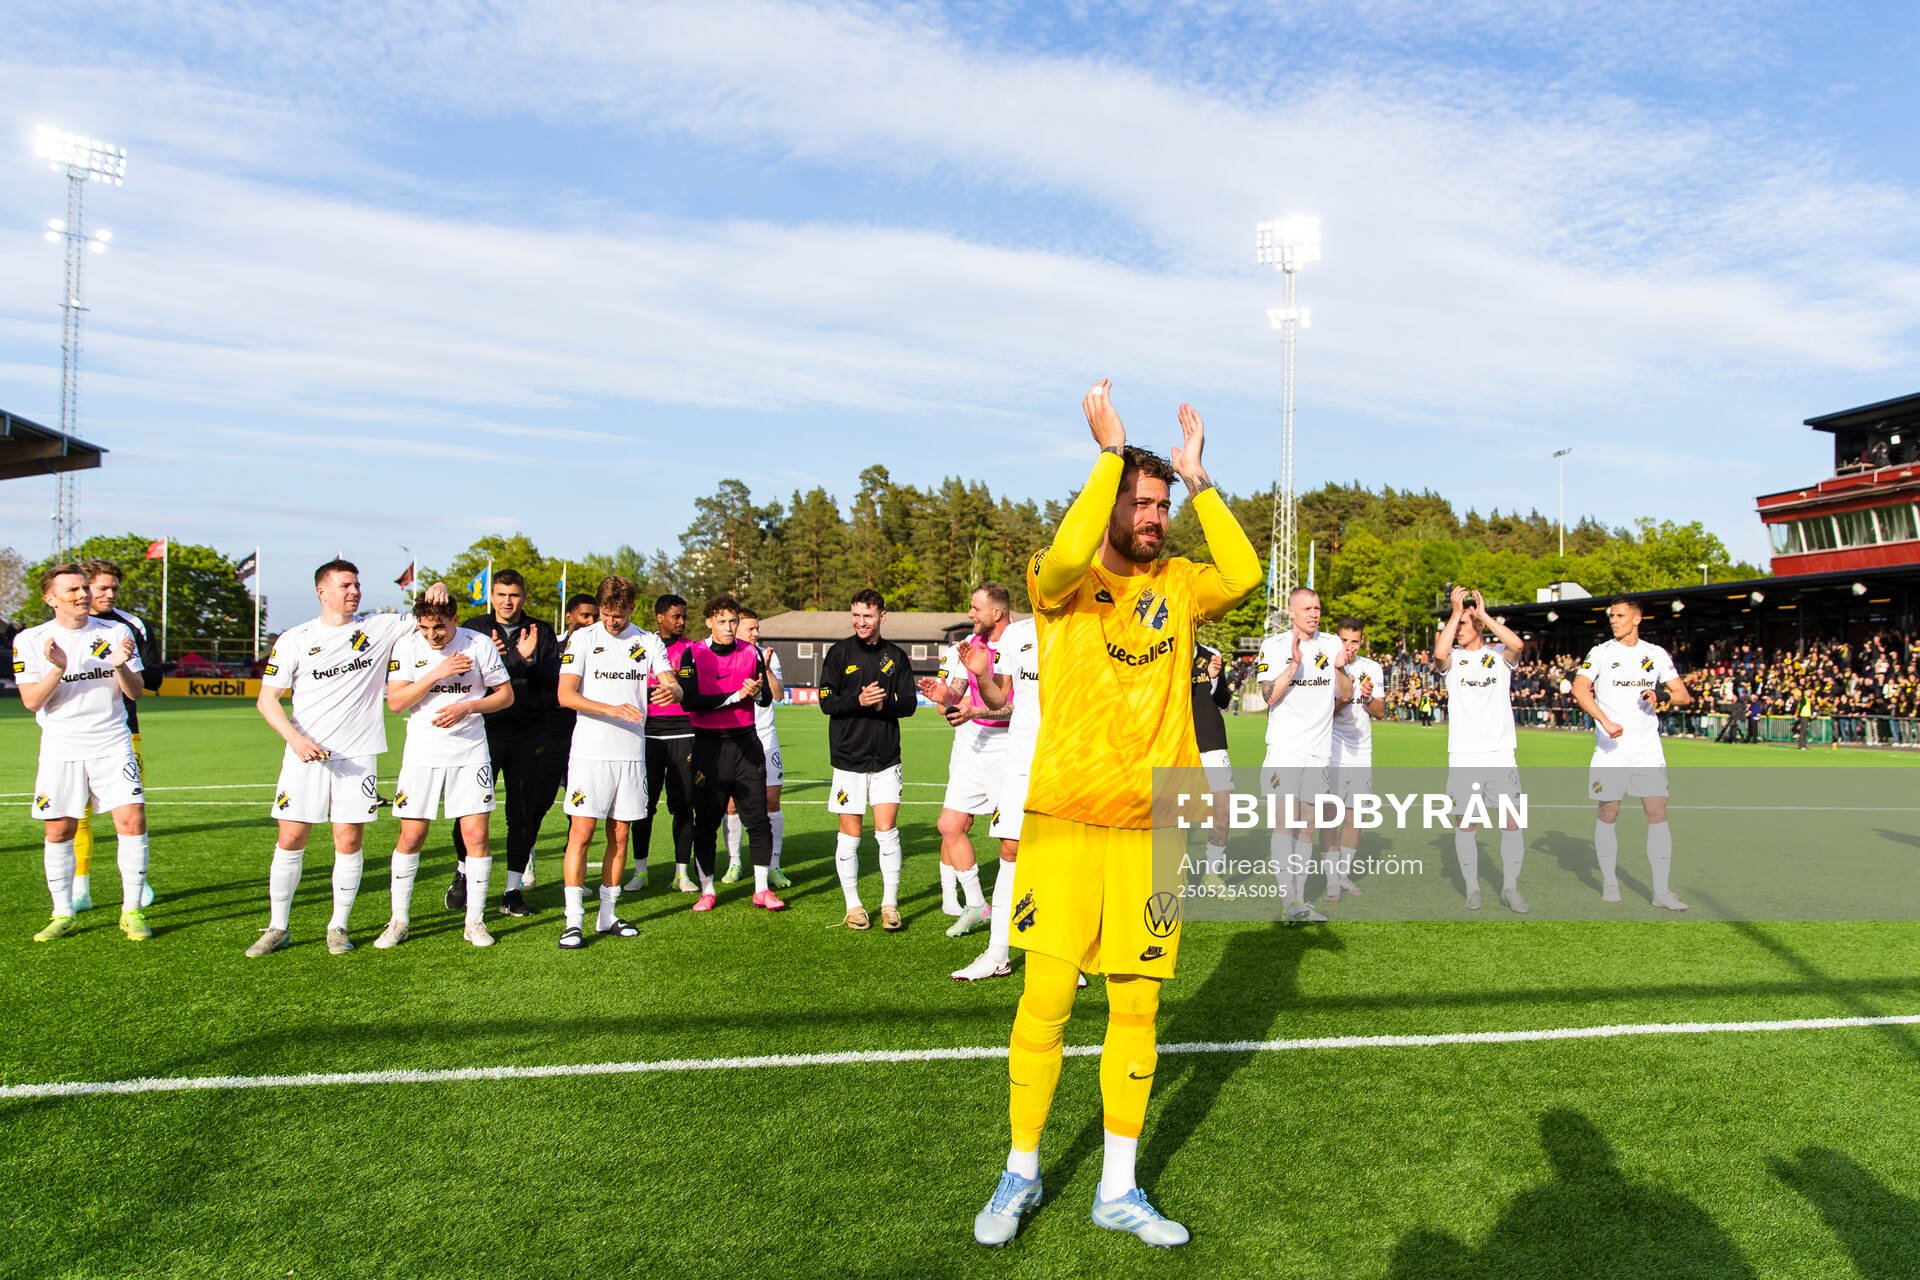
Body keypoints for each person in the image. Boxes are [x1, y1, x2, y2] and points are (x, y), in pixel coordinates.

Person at [972, 383, 1257, 1249]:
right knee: (1046, 1000)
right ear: (1108, 507)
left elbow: (1245, 576)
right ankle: (1020, 1172)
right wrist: (1109, 454)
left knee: (1137, 1010)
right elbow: (1061, 555)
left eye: (1160, 504)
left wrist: (1199, 478)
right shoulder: (1060, 586)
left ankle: (1118, 1188)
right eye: (1141, 503)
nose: (1154, 517)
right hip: (1063, 819)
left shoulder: (1180, 580)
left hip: (1152, 831)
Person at [250, 561, 450, 956]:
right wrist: (295, 740)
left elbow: (432, 615)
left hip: (357, 756)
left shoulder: (378, 627)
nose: (354, 591)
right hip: (304, 755)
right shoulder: (295, 638)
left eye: (357, 584)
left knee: (348, 839)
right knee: (290, 837)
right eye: (345, 585)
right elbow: (266, 700)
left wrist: (438, 584)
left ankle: (338, 926)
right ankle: (278, 926)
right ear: (321, 592)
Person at [13, 564, 152, 942]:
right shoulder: (30, 639)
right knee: (59, 829)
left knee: (132, 820)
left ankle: (132, 910)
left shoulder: (116, 632)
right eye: (72, 590)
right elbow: (31, 701)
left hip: (111, 742)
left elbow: (135, 692)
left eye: (83, 589)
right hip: (61, 747)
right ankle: (63, 913)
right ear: (50, 598)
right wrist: (57, 669)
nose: (82, 595)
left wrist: (121, 666)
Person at [554, 576, 681, 949]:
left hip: (630, 755)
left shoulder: (647, 640)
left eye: (619, 614)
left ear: (631, 609)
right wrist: (610, 708)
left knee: (621, 836)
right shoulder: (583, 639)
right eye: (607, 614)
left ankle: (607, 916)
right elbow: (565, 695)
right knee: (581, 834)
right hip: (590, 755)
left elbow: (674, 684)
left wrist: (670, 690)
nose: (612, 621)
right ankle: (573, 920)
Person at [381, 597, 513, 947]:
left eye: (439, 626)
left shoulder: (478, 643)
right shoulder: (408, 646)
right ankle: (399, 921)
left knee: (477, 836)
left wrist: (469, 706)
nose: (432, 635)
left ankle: (475, 922)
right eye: (425, 628)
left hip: (470, 752)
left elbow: (506, 696)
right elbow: (396, 702)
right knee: (411, 836)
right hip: (422, 754)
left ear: (455, 619)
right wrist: (437, 672)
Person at [446, 569, 564, 919]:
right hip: (483, 731)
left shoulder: (540, 631)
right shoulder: (474, 629)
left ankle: (512, 890)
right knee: (470, 808)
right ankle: (463, 874)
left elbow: (554, 682)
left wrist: (528, 659)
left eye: (513, 595)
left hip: (529, 733)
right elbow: (461, 674)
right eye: (501, 594)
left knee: (522, 813)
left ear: (523, 597)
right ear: (491, 596)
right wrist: (502, 659)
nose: (507, 601)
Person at [1573, 598, 1693, 911]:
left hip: (1647, 750)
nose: (1614, 620)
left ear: (1637, 618)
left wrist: (1662, 694)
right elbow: (1579, 689)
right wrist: (1605, 721)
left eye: (1620, 615)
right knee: (1609, 812)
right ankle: (1610, 882)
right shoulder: (1600, 653)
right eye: (1611, 615)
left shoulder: (1655, 654)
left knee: (1657, 814)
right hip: (1610, 751)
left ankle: (1661, 891)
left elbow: (1683, 695)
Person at [918, 584, 1015, 937]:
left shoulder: (1019, 645)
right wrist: (942, 695)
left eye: (975, 609)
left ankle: (1019, 909)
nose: (970, 614)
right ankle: (977, 905)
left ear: (997, 613)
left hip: (1008, 747)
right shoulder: (970, 646)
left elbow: (1015, 707)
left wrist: (975, 709)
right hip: (972, 743)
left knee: (1012, 842)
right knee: (950, 825)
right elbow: (956, 692)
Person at [675, 595, 783, 911]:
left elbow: (764, 700)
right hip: (709, 746)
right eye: (721, 621)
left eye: (733, 621)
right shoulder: (692, 654)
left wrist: (756, 691)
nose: (728, 627)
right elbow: (690, 701)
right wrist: (736, 695)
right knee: (706, 822)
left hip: (746, 743)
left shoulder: (751, 652)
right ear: (709, 621)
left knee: (758, 819)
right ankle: (708, 890)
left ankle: (762, 889)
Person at [819, 589, 919, 931]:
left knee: (887, 831)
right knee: (850, 835)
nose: (861, 622)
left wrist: (881, 706)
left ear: (882, 617)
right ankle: (854, 906)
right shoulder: (838, 652)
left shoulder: (896, 656)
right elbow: (826, 702)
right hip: (847, 759)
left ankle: (890, 905)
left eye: (868, 616)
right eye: (856, 615)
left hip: (887, 759)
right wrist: (857, 700)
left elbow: (907, 704)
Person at [951, 612, 1039, 981]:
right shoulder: (1017, 634)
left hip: (1069, 759)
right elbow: (1002, 699)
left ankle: (1066, 958)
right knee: (1010, 850)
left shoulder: (1087, 624)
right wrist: (983, 676)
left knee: (1065, 855)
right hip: (1020, 759)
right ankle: (997, 954)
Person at [71, 559, 162, 913]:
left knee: (128, 811)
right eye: (101, 588)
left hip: (123, 729)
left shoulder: (131, 625)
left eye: (114, 589)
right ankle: (81, 887)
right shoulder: (62, 628)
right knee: (77, 812)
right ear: (83, 588)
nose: (108, 594)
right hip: (75, 732)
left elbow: (153, 677)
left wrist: (123, 663)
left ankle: (136, 884)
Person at [1255, 587, 1350, 922]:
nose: (1314, 613)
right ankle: (1288, 901)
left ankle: (1299, 901)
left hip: (1318, 754)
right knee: (1285, 825)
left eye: (1318, 608)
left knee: (1307, 827)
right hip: (1285, 750)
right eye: (1307, 608)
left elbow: (1346, 694)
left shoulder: (1332, 645)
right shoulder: (1274, 646)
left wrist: (1340, 669)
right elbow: (1269, 697)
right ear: (1291, 611)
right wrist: (1294, 664)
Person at [1434, 587, 1528, 914]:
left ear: (1479, 628)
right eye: (1457, 625)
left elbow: (1518, 645)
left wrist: (1483, 614)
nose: (1459, 629)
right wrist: (1456, 612)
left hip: (1501, 754)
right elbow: (1438, 653)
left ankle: (1510, 888)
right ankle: (1473, 888)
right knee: (1466, 824)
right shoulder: (1454, 659)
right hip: (1464, 756)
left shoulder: (1500, 655)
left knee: (1512, 822)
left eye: (1464, 625)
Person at [520, 592, 600, 895]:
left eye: (594, 616)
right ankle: (526, 859)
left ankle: (574, 874)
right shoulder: (552, 644)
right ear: (570, 617)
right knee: (536, 805)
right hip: (550, 735)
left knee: (580, 811)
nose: (590, 622)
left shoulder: (601, 645)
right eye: (585, 616)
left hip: (586, 738)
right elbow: (541, 685)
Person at [631, 594, 700, 893]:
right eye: (676, 616)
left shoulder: (692, 650)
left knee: (684, 806)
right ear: (660, 617)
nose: (682, 621)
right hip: (646, 735)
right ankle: (640, 872)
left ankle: (682, 874)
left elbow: (697, 689)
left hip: (684, 734)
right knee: (643, 807)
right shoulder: (642, 646)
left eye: (684, 616)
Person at [726, 607, 790, 889]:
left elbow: (777, 694)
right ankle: (734, 862)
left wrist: (764, 667)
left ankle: (774, 866)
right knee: (731, 805)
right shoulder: (725, 654)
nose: (755, 633)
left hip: (765, 737)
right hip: (734, 738)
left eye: (757, 628)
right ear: (736, 629)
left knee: (771, 801)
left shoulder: (767, 655)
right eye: (750, 629)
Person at [1325, 617, 1386, 901]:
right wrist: (1347, 696)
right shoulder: (1326, 666)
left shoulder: (1371, 668)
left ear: (1362, 641)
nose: (1349, 647)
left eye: (1354, 641)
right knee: (1330, 817)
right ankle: (1331, 882)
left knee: (1355, 816)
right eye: (1344, 640)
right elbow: (1323, 712)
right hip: (1332, 752)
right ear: (1336, 639)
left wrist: (1369, 696)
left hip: (1362, 751)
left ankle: (1343, 874)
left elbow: (1380, 712)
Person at [1189, 639, 1234, 881]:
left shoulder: (1212, 655)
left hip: (1213, 744)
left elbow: (1225, 701)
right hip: (1178, 745)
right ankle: (1175, 873)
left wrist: (1215, 679)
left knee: (1223, 808)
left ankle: (1212, 875)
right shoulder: (1165, 653)